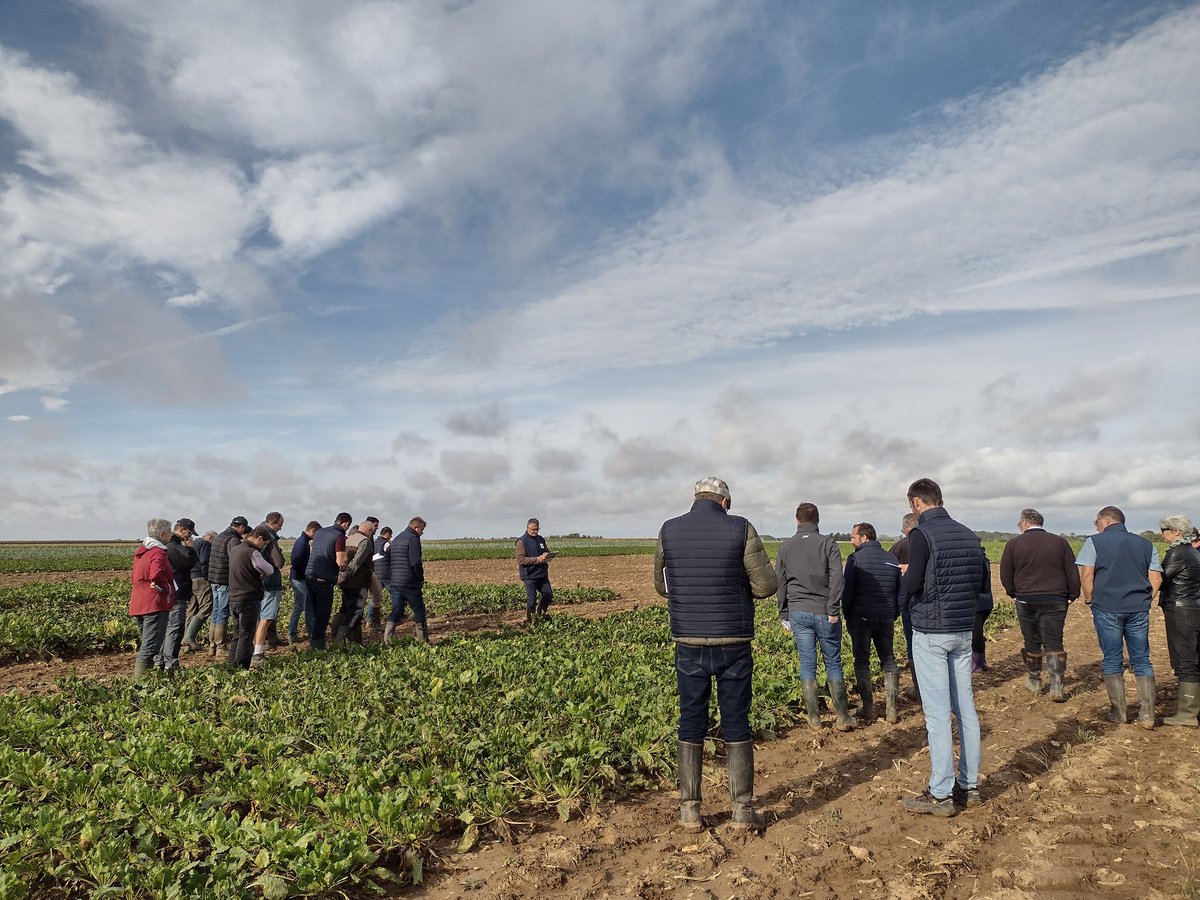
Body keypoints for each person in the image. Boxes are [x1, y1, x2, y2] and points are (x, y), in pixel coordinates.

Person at [654, 477, 778, 832]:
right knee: (736, 720)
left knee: (690, 720)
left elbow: (660, 586)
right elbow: (766, 586)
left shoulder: (669, 529)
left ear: (696, 498)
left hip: (688, 641)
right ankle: (742, 809)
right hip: (733, 641)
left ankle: (689, 809)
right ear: (725, 502)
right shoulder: (742, 528)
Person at [901, 478, 987, 817]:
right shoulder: (969, 535)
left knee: (936, 714)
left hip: (931, 631)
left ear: (917, 503)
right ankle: (969, 785)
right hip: (963, 630)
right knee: (965, 708)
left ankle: (940, 793)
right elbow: (980, 583)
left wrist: (906, 575)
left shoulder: (921, 535)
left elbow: (913, 583)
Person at [1077, 506, 1163, 729]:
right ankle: (1147, 715)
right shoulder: (1146, 544)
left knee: (1113, 658)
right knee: (1142, 659)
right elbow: (1156, 579)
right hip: (1138, 608)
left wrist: (1090, 599)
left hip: (1107, 607)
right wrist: (1146, 600)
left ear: (1105, 520)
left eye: (1096, 522)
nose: (1096, 526)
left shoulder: (1094, 542)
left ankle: (1119, 712)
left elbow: (1087, 574)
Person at [775, 502, 853, 732]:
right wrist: (833, 609)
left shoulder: (786, 547)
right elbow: (838, 579)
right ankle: (842, 716)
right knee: (833, 662)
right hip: (824, 611)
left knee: (807, 664)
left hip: (798, 612)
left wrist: (784, 611)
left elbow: (780, 581)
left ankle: (814, 719)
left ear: (797, 520)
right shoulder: (828, 544)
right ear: (817, 521)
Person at [999, 509, 1080, 701]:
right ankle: (1057, 686)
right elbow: (1072, 571)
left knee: (1032, 640)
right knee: (1054, 642)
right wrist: (1072, 595)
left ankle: (1034, 680)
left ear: (1025, 524)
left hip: (1026, 599)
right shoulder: (1060, 543)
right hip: (1056, 599)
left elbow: (1006, 574)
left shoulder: (1013, 544)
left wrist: (1014, 592)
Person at [843, 522, 902, 724]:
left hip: (861, 618)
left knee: (862, 661)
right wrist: (893, 613)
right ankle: (892, 710)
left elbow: (847, 592)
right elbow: (899, 592)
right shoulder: (891, 558)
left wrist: (847, 616)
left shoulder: (855, 559)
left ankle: (868, 708)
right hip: (885, 617)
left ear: (864, 538)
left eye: (853, 537)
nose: (851, 540)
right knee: (889, 660)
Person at [1157, 514, 1200, 727]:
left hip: (1180, 609)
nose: (1161, 533)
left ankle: (1187, 713)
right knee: (1192, 657)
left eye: (1164, 529)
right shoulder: (1192, 551)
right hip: (1192, 607)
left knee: (1186, 659)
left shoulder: (1178, 553)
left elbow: (1161, 579)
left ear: (1177, 532)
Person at [128, 518, 176, 680]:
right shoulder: (158, 552)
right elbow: (156, 573)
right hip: (154, 604)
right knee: (149, 646)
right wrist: (167, 588)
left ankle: (146, 679)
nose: (171, 534)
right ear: (162, 534)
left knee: (147, 642)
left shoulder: (141, 552)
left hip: (138, 602)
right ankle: (139, 683)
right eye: (169, 532)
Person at [226, 526, 275, 670]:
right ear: (259, 538)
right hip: (249, 597)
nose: (262, 546)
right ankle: (242, 666)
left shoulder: (235, 550)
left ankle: (231, 665)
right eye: (263, 543)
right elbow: (269, 569)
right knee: (246, 635)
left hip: (234, 597)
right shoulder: (252, 553)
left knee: (237, 634)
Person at [305, 512, 352, 649]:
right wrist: (346, 563)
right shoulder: (339, 536)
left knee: (313, 611)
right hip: (323, 579)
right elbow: (340, 560)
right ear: (346, 524)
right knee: (322, 614)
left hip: (310, 574)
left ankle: (313, 641)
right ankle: (318, 647)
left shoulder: (320, 532)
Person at [206, 516, 251, 658]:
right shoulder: (233, 539)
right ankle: (221, 646)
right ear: (242, 527)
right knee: (223, 613)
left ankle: (212, 645)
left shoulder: (219, 536)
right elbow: (235, 559)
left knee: (216, 612)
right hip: (224, 580)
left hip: (213, 578)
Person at [159, 518, 198, 673]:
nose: (189, 536)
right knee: (174, 628)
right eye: (188, 533)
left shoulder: (169, 545)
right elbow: (188, 563)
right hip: (177, 592)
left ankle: (161, 659)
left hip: (169, 593)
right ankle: (170, 662)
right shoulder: (173, 546)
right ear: (181, 530)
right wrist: (190, 549)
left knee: (166, 628)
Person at [331, 517, 378, 645]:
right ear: (368, 530)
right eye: (372, 532)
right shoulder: (365, 541)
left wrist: (341, 575)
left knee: (346, 609)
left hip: (345, 582)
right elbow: (357, 562)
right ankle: (339, 640)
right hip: (358, 581)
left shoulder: (348, 539)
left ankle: (357, 642)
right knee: (355, 611)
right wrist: (346, 574)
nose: (372, 534)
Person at [248, 512, 286, 667]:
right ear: (271, 522)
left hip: (258, 584)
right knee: (266, 618)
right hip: (269, 584)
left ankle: (254, 649)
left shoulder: (254, 537)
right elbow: (278, 562)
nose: (280, 529)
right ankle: (257, 653)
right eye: (279, 525)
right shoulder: (268, 537)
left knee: (258, 618)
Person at [890, 513, 920, 700]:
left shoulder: (899, 546)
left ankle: (918, 688)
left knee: (912, 644)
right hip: (927, 602)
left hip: (906, 601)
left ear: (906, 529)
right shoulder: (929, 542)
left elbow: (889, 574)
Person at [385, 517, 429, 643]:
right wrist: (420, 578)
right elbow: (415, 562)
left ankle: (388, 639)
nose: (422, 532)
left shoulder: (398, 538)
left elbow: (388, 557)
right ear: (416, 527)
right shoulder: (413, 539)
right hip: (409, 580)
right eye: (422, 529)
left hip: (396, 581)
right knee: (419, 609)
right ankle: (423, 640)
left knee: (397, 609)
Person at [182, 529, 216, 652]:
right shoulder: (205, 544)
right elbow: (204, 561)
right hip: (200, 579)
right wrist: (207, 578)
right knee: (206, 606)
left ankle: (186, 644)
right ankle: (189, 637)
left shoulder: (193, 543)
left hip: (190, 579)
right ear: (210, 538)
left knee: (192, 608)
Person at [287, 520, 320, 645]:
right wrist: (307, 571)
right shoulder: (302, 543)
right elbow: (296, 563)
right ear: (313, 530)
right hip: (299, 578)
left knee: (308, 606)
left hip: (301, 578)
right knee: (299, 606)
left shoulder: (304, 541)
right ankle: (292, 633)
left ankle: (310, 631)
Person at [516, 518, 554, 623]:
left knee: (548, 595)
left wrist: (547, 555)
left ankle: (539, 615)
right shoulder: (521, 542)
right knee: (531, 601)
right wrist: (537, 559)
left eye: (537, 529)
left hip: (542, 574)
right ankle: (530, 621)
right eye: (533, 529)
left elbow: (546, 551)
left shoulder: (540, 539)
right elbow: (521, 560)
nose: (535, 531)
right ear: (527, 528)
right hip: (529, 575)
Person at [972, 542, 994, 673]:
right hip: (986, 602)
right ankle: (979, 662)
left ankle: (977, 664)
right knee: (977, 632)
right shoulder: (984, 559)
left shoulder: (977, 561)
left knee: (976, 634)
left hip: (978, 602)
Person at [368, 526, 393, 630]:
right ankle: (397, 616)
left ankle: (369, 620)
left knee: (375, 597)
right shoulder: (386, 544)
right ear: (386, 533)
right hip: (385, 574)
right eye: (390, 535)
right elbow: (392, 555)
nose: (390, 537)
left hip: (375, 573)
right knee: (396, 594)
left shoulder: (373, 542)